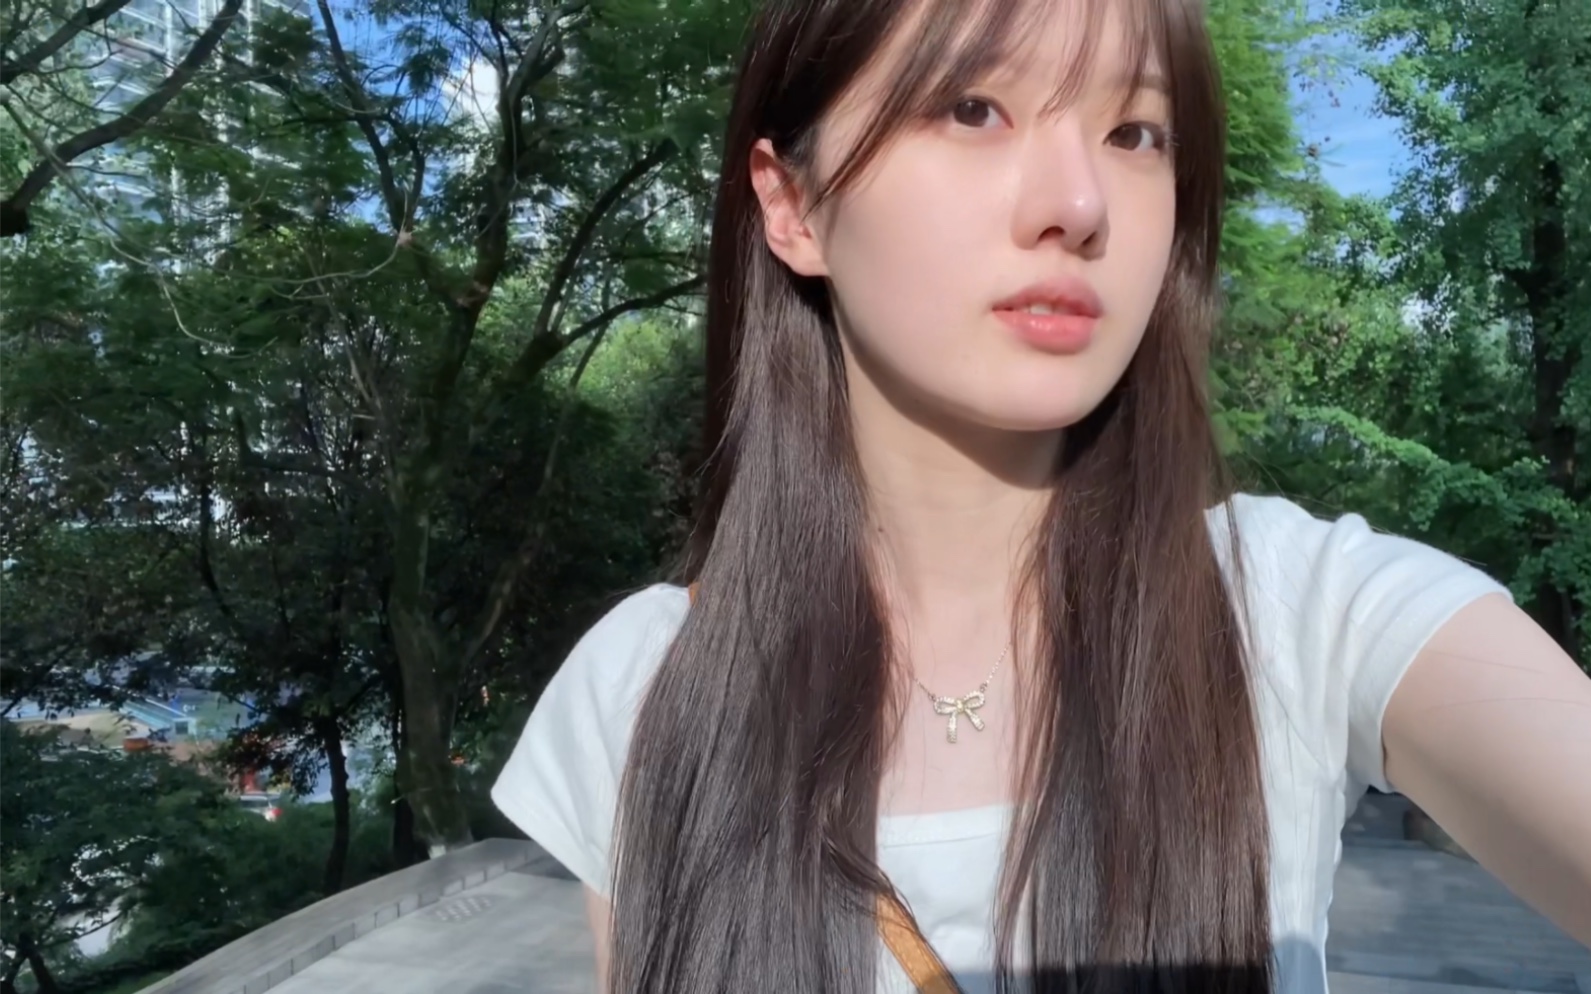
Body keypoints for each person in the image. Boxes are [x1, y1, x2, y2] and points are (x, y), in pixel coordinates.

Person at [492, 0, 1591, 990]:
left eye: (1135, 134)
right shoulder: (642, 692)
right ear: (793, 205)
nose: (1078, 203)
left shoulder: (1304, 615)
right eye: (972, 108)